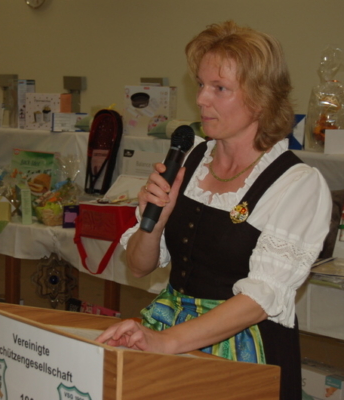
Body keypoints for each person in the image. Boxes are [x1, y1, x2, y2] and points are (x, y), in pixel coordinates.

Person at [95, 21, 332, 400]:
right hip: (172, 334)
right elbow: (138, 267)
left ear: (261, 98)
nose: (202, 99)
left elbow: (258, 301)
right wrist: (155, 222)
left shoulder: (296, 184)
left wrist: (166, 341)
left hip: (245, 353)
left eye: (219, 88)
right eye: (201, 84)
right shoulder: (190, 158)